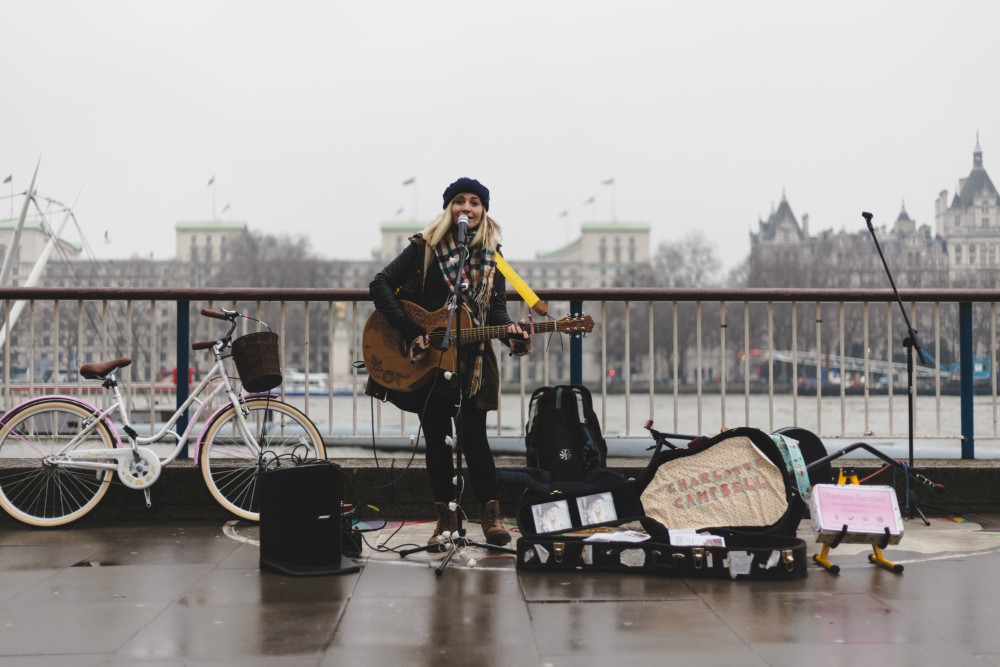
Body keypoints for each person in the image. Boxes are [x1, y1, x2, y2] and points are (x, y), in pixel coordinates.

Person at [367, 177, 531, 548]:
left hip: (472, 362)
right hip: (429, 361)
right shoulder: (424, 248)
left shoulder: (494, 256)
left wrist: (512, 334)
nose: (467, 208)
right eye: (460, 201)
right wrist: (411, 331)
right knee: (438, 441)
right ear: (449, 209)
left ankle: (491, 518)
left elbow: (497, 312)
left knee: (475, 439)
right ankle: (446, 521)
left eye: (475, 202)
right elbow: (379, 284)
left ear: (483, 211)